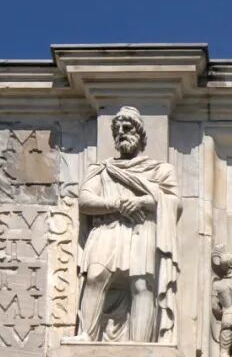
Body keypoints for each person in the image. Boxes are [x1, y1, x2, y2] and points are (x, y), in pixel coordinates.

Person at [72, 106, 180, 342]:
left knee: (142, 285)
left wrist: (141, 202)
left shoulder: (160, 170)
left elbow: (173, 202)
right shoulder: (102, 169)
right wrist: (117, 204)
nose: (121, 132)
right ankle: (87, 335)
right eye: (117, 129)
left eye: (127, 127)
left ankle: (140, 345)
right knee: (95, 277)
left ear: (139, 133)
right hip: (106, 228)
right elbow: (85, 200)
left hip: (142, 229)